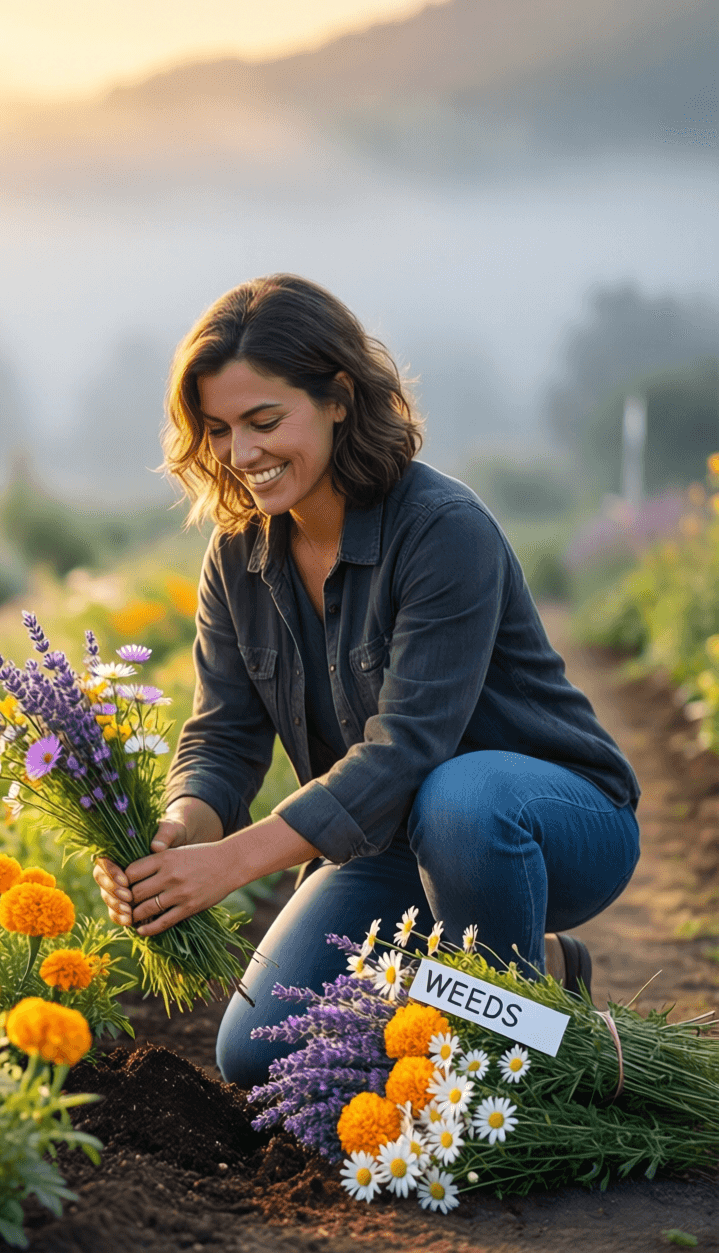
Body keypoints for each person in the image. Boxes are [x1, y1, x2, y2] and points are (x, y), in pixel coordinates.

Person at [93, 274, 640, 1089]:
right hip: (386, 842)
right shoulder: (238, 558)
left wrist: (236, 863)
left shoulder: (444, 531)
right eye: (217, 429)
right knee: (258, 1049)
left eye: (264, 421)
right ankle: (536, 973)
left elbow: (406, 752)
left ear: (340, 397)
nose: (241, 455)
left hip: (544, 824)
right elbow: (222, 735)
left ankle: (511, 1047)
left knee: (460, 796)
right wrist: (182, 834)